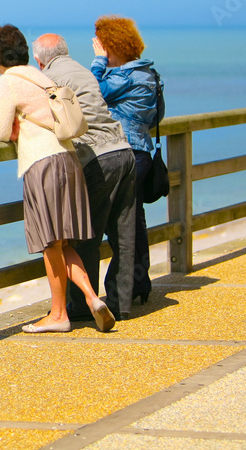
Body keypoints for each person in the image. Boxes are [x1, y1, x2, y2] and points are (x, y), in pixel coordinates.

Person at [0, 24, 114, 333]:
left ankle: (59, 315)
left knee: (49, 244)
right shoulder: (40, 76)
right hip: (69, 159)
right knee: (62, 242)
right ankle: (93, 298)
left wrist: (15, 126)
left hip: (42, 164)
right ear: (27, 53)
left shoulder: (9, 81)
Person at [32, 33, 137, 320]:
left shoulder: (48, 78)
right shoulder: (82, 70)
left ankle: (81, 307)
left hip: (97, 157)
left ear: (39, 60)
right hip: (123, 150)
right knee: (123, 233)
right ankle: (121, 302)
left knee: (84, 235)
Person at [90, 16, 164, 305]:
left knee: (117, 223)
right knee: (136, 221)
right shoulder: (149, 74)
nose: (100, 51)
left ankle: (122, 290)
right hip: (142, 152)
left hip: (125, 154)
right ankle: (139, 282)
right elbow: (158, 117)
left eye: (102, 46)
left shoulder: (125, 76)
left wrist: (98, 62)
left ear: (112, 45)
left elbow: (92, 94)